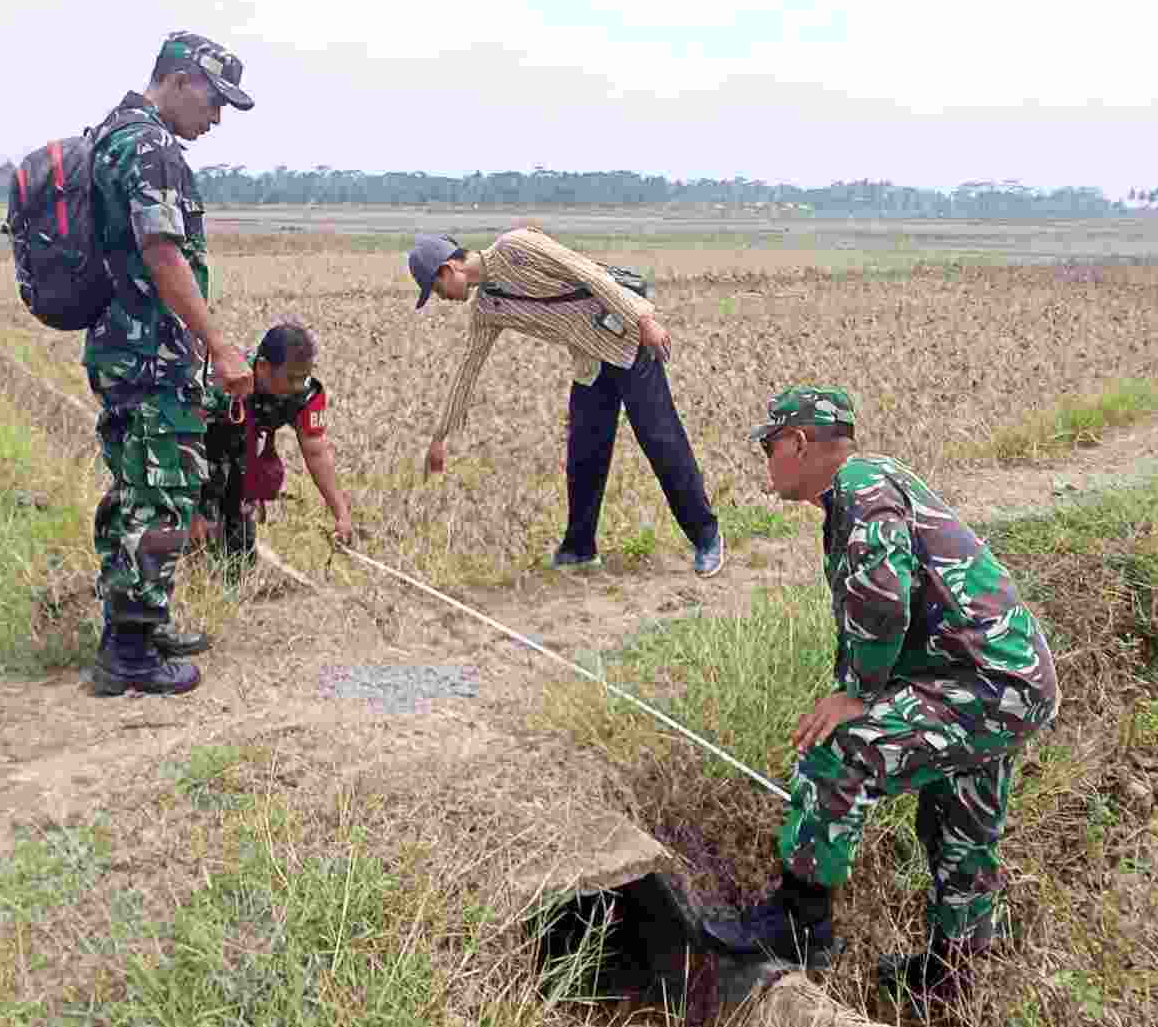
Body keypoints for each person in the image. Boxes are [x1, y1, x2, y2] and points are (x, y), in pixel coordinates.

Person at [699, 387, 1060, 1010]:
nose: (767, 462)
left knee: (842, 751)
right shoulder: (868, 486)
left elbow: (884, 598)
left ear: (798, 443)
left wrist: (858, 694)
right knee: (961, 826)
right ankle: (951, 981)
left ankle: (800, 925)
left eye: (769, 447)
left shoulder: (861, 485)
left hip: (985, 684)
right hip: (1006, 679)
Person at [85, 32, 255, 697]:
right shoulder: (152, 147)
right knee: (163, 494)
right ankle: (129, 655)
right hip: (151, 355)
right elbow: (162, 253)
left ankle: (137, 628)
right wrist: (220, 345)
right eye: (214, 102)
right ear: (180, 81)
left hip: (122, 349)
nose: (215, 120)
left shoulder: (112, 135)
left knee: (135, 489)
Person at [408, 228, 724, 577]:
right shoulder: (486, 307)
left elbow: (588, 273)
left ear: (448, 270)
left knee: (660, 439)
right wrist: (440, 436)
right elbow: (468, 369)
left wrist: (644, 320)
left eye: (436, 289)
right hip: (589, 361)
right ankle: (579, 550)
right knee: (584, 453)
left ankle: (706, 535)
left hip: (629, 343)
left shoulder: (517, 247)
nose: (441, 298)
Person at [196, 317, 352, 574]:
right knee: (200, 539)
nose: (298, 387)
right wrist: (193, 509)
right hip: (201, 449)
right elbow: (184, 442)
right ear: (263, 367)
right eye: (291, 378)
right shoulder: (223, 382)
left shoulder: (306, 393)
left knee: (240, 543)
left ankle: (237, 581)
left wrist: (341, 513)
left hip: (244, 454)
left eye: (303, 378)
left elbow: (316, 451)